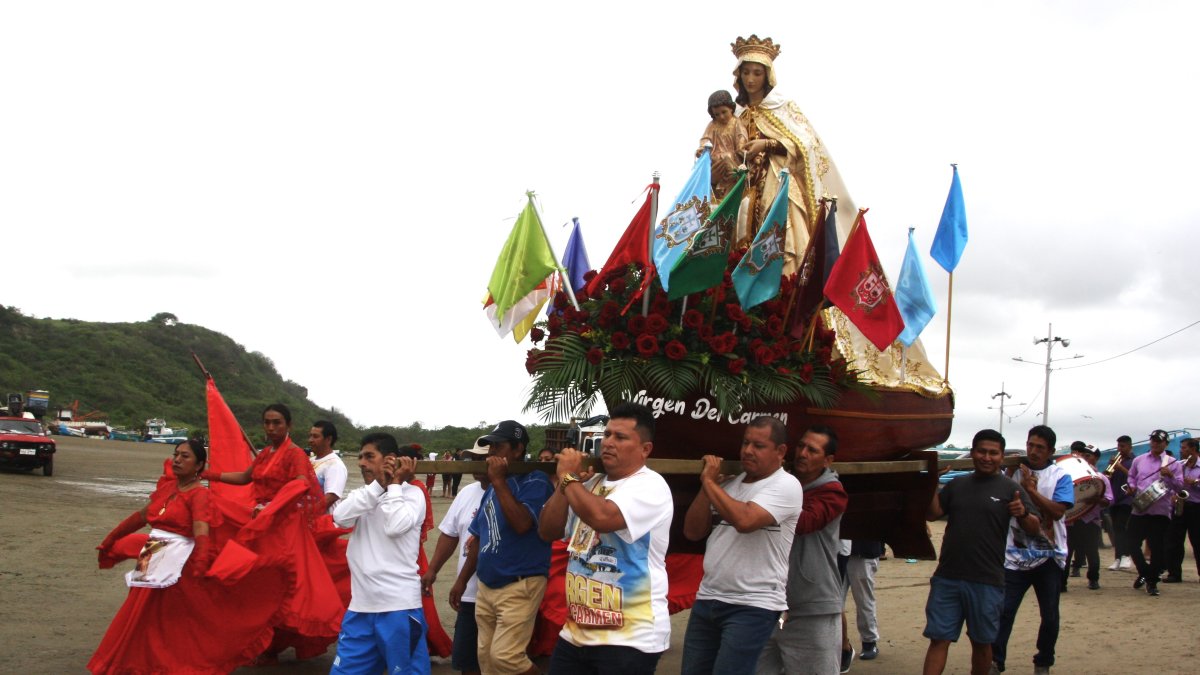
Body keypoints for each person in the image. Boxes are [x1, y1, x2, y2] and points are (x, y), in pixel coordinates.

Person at [89, 440, 290, 674]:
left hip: (177, 560)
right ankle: (132, 661)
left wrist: (202, 562)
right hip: (152, 553)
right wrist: (111, 538)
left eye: (185, 457)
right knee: (138, 609)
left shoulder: (199, 495)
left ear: (199, 466)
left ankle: (160, 664)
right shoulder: (168, 489)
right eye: (176, 455)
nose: (177, 460)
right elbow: (140, 517)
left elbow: (201, 529)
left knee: (164, 617)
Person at [537, 402, 674, 674]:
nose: (608, 443)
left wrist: (566, 478)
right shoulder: (587, 483)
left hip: (630, 637)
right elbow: (548, 531)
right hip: (576, 631)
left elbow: (602, 517)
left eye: (620, 437)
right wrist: (567, 486)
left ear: (645, 449)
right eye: (607, 434)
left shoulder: (650, 485)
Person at [202, 403, 343, 662]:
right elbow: (246, 477)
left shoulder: (295, 454)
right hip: (262, 524)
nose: (270, 427)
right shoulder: (266, 453)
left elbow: (301, 484)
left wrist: (272, 506)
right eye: (267, 422)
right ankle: (263, 642)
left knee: (283, 586)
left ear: (288, 425)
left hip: (284, 527)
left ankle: (270, 644)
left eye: (277, 422)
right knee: (257, 583)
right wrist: (209, 474)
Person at [680, 416, 803, 675]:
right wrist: (708, 488)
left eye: (758, 446)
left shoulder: (787, 485)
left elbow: (745, 520)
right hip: (708, 597)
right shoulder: (729, 485)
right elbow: (692, 531)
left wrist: (710, 483)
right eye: (745, 443)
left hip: (754, 604)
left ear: (780, 452)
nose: (748, 450)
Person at [728, 34, 856, 268]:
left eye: (757, 73)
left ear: (767, 75)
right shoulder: (733, 114)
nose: (750, 79)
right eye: (746, 72)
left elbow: (805, 144)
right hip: (741, 185)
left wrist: (766, 145)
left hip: (775, 180)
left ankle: (785, 283)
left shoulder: (782, 107)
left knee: (781, 226)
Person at [922, 429, 1039, 675]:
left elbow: (1034, 527)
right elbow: (933, 513)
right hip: (948, 577)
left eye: (993, 453)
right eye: (982, 451)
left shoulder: (1011, 489)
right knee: (938, 639)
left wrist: (1023, 513)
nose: (987, 457)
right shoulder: (957, 484)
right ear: (973, 453)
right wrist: (931, 483)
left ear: (1000, 456)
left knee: (982, 643)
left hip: (987, 581)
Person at [451, 420, 554, 675]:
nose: (493, 452)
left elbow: (521, 524)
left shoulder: (535, 481)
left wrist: (498, 481)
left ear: (518, 449)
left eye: (499, 446)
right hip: (487, 585)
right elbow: (479, 537)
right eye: (491, 446)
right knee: (486, 658)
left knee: (506, 657)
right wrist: (462, 581)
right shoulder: (494, 488)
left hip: (520, 583)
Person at [329, 433, 429, 675]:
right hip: (360, 608)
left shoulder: (412, 495)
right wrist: (378, 486)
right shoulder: (364, 494)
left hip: (399, 608)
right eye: (361, 457)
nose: (362, 462)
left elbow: (395, 527)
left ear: (390, 460)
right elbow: (339, 518)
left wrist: (393, 485)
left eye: (369, 456)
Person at [756, 425, 847, 675]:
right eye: (801, 446)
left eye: (812, 450)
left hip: (812, 605)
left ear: (828, 460)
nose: (803, 453)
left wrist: (761, 503)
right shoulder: (776, 483)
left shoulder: (832, 492)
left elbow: (805, 522)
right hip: (766, 602)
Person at [990, 425, 1073, 675]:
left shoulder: (1061, 476)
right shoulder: (1012, 472)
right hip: (1015, 556)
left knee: (1049, 616)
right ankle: (996, 660)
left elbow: (1058, 512)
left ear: (1050, 451)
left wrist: (1032, 491)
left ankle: (1043, 661)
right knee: (1004, 611)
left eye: (1040, 447)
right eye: (1030, 445)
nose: (1033, 451)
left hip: (1049, 556)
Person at [422, 443, 489, 675]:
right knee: (467, 661)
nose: (478, 464)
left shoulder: (510, 492)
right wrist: (433, 569)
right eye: (474, 458)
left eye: (484, 458)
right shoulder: (467, 493)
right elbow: (450, 535)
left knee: (500, 660)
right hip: (469, 595)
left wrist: (459, 581)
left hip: (499, 594)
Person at [1122, 429, 1180, 595]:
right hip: (1140, 508)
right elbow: (1131, 477)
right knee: (1131, 542)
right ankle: (1145, 572)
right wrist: (1131, 487)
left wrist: (1170, 476)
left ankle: (1152, 582)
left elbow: (1180, 487)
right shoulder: (1139, 460)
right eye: (1153, 440)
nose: (1155, 443)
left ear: (1166, 444)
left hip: (1160, 510)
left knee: (1157, 547)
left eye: (1159, 441)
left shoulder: (1173, 463)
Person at [1069, 444, 1111, 590]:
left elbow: (1109, 500)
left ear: (1096, 458)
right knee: (1066, 552)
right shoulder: (1069, 475)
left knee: (1092, 552)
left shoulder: (1101, 479)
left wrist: (1097, 499)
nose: (1085, 458)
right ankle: (1061, 582)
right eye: (1083, 455)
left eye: (1088, 456)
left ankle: (1093, 579)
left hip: (1090, 521)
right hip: (1071, 520)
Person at [696, 89, 748, 201]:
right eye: (717, 114)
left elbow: (741, 136)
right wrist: (701, 149)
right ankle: (715, 187)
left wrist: (741, 147)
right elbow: (706, 138)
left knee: (727, 159)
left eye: (724, 112)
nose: (721, 117)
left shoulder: (735, 122)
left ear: (731, 108)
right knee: (707, 166)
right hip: (715, 158)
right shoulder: (712, 125)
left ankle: (733, 185)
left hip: (731, 158)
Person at [1163, 437, 1199, 583]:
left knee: (1197, 541)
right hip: (1180, 505)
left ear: (1193, 449)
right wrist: (1173, 493)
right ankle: (1174, 573)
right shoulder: (1179, 465)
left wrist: (1195, 482)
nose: (1181, 450)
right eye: (1181, 447)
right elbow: (1173, 484)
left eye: (1184, 448)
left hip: (1197, 507)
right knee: (1174, 541)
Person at [842, 540, 884, 662]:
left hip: (863, 551)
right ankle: (840, 644)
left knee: (864, 600)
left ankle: (869, 641)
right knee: (834, 601)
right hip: (839, 550)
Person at [1105, 435, 1136, 571]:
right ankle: (1118, 557)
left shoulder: (1135, 461)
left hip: (1127, 498)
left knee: (1122, 527)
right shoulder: (1116, 461)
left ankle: (1126, 556)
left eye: (1122, 446)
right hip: (1115, 499)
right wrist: (1110, 469)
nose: (1119, 449)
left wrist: (1120, 467)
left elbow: (1135, 476)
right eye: (1118, 446)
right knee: (1116, 529)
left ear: (1129, 446)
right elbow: (1107, 477)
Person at [309, 420, 347, 509]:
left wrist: (308, 514)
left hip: (323, 519)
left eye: (315, 436)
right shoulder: (310, 461)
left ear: (328, 439)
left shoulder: (335, 464)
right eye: (310, 436)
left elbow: (331, 497)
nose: (310, 440)